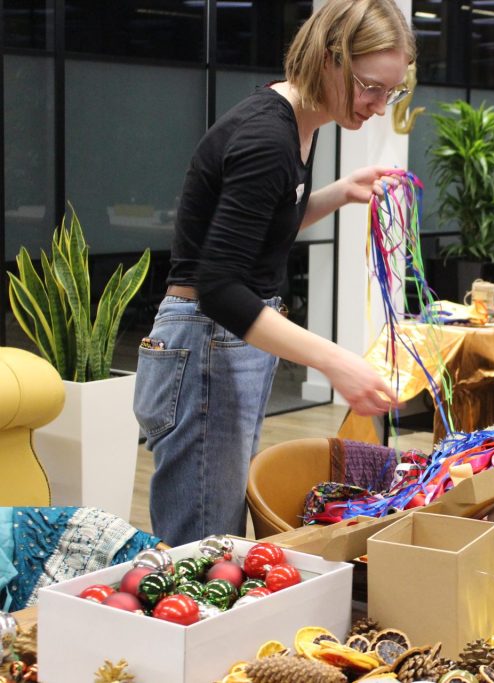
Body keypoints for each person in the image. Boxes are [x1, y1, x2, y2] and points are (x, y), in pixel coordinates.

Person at [132, 0, 412, 545]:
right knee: (206, 546)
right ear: (330, 59)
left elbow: (262, 228)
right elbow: (219, 289)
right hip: (207, 338)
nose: (379, 106)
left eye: (391, 92)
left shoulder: (296, 124)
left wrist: (335, 194)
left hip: (218, 343)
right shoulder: (267, 138)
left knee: (218, 536)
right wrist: (336, 362)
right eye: (370, 86)